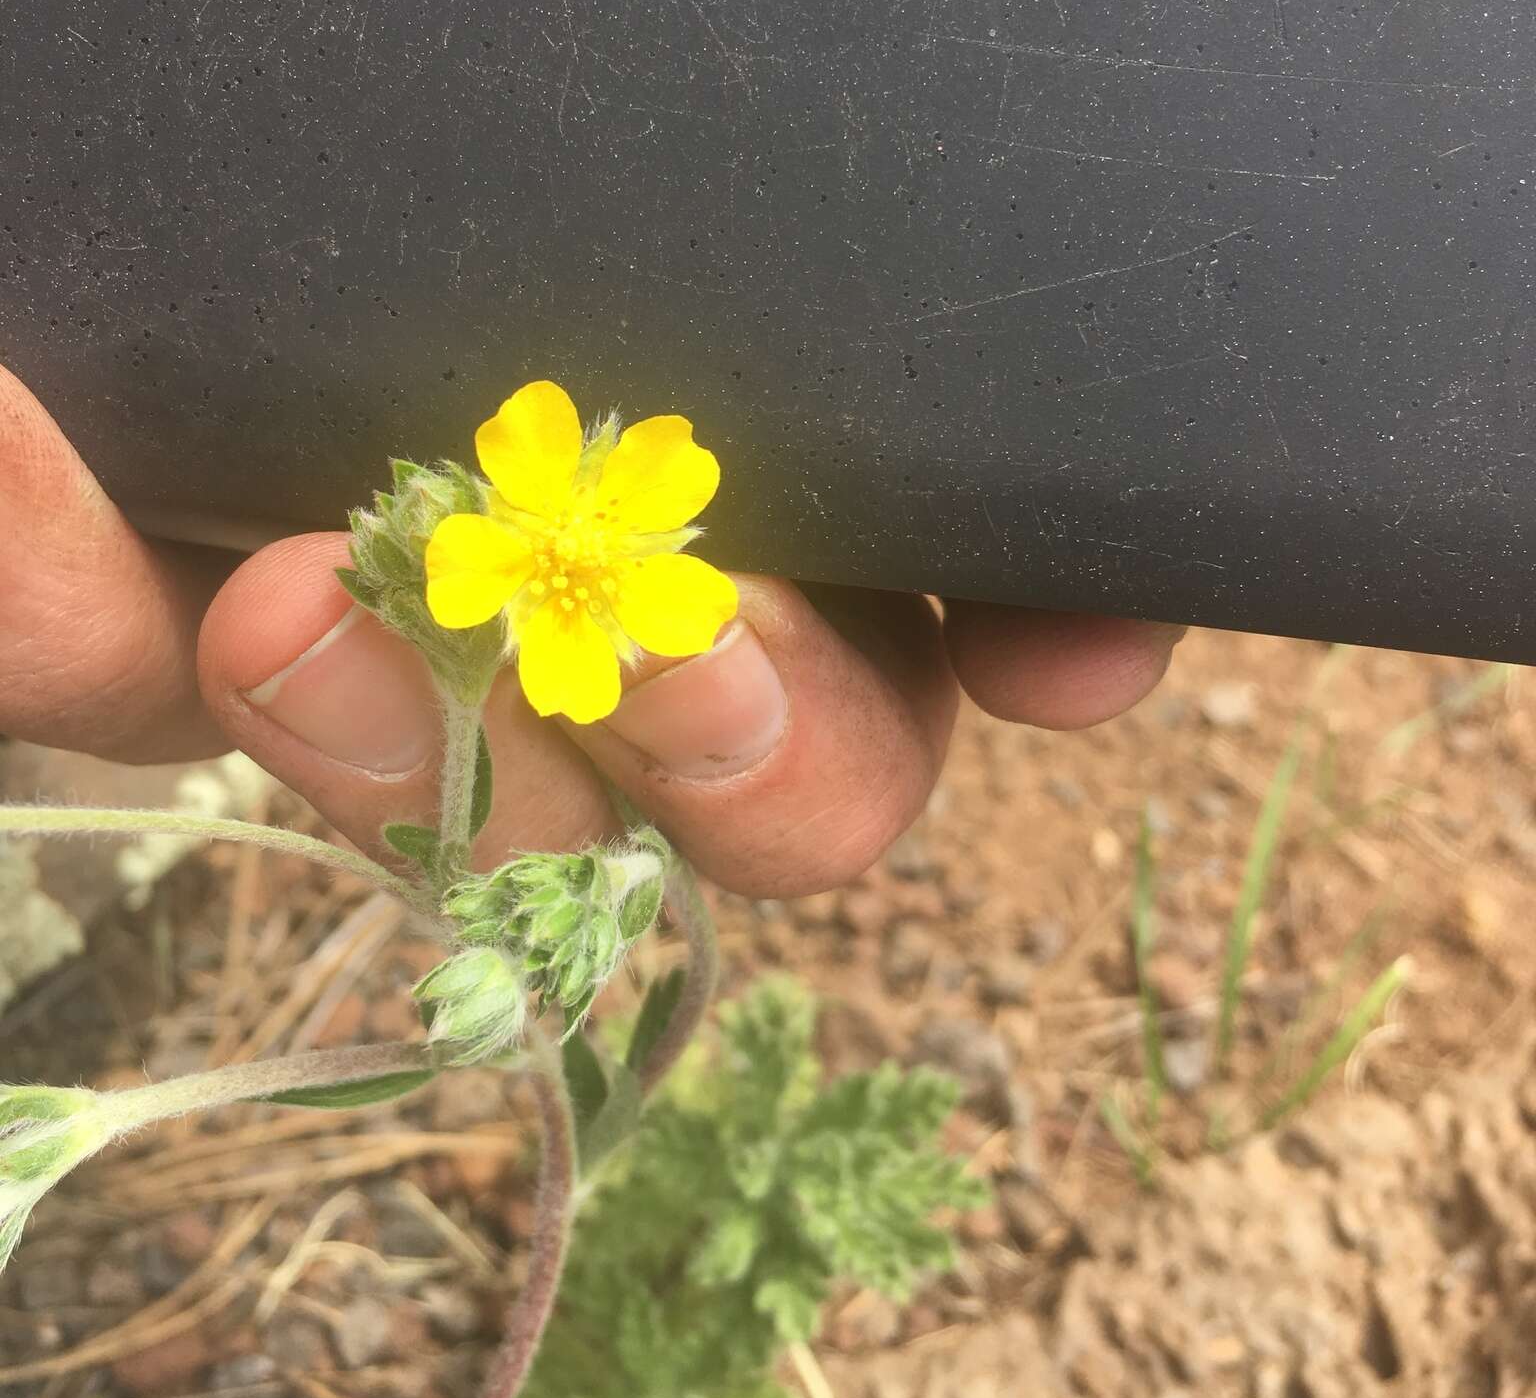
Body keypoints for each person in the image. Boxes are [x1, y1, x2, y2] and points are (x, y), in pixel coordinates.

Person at [0, 365, 1183, 897]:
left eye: (586, 546)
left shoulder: (625, 579)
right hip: (490, 579)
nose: (578, 551)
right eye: (572, 543)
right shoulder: (479, 549)